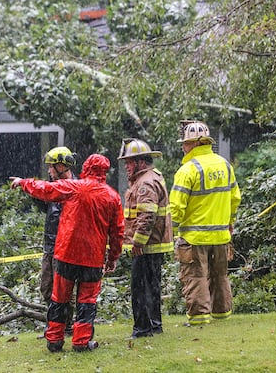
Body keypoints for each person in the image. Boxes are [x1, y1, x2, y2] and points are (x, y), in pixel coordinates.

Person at [10, 154, 124, 353]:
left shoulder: (73, 187)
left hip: (66, 255)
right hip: (92, 258)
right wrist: (113, 258)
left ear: (86, 168)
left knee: (59, 298)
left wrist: (23, 182)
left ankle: (54, 340)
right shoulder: (112, 196)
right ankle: (80, 342)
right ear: (105, 172)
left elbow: (45, 189)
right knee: (86, 301)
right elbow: (117, 232)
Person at [169, 120, 241, 326]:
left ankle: (199, 319)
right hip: (220, 236)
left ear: (194, 144)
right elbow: (235, 198)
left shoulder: (187, 170)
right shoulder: (224, 165)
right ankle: (222, 315)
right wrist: (229, 222)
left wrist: (171, 233)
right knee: (220, 277)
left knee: (195, 278)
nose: (183, 147)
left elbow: (176, 208)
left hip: (194, 238)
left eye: (185, 143)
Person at [118, 138, 174, 339]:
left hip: (146, 246)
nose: (126, 166)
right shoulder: (152, 177)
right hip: (153, 245)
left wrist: (137, 242)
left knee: (141, 288)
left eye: (129, 162)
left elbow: (147, 215)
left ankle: (143, 328)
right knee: (152, 287)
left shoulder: (145, 183)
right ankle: (154, 325)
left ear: (141, 162)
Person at [38, 146, 77, 336]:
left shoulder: (75, 188)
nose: (49, 171)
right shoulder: (52, 187)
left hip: (66, 247)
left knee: (64, 289)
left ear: (62, 166)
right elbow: (47, 210)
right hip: (50, 245)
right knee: (46, 287)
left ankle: (66, 326)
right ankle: (54, 324)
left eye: (51, 167)